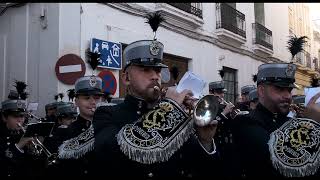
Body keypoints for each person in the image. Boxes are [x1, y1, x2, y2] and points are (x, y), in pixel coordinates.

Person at [93, 37, 220, 177]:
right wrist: (168, 108)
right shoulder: (106, 113)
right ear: (126, 78)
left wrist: (205, 141)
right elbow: (108, 153)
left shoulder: (175, 114)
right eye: (146, 70)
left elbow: (198, 168)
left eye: (158, 70)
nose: (155, 76)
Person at [231, 63, 320, 178]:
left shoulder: (292, 122)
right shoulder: (245, 122)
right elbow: (281, 162)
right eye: (280, 89)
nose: (288, 96)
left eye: (289, 90)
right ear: (261, 91)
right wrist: (310, 126)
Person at [45, 75, 103, 177]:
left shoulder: (108, 129)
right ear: (76, 102)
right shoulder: (64, 133)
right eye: (86, 98)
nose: (93, 102)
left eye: (96, 97)